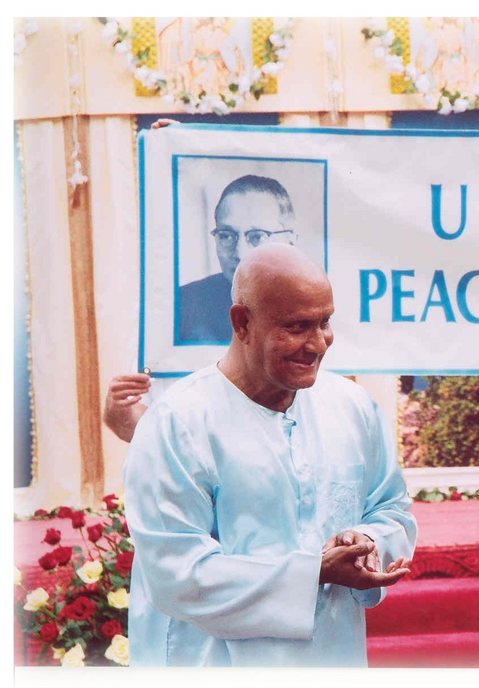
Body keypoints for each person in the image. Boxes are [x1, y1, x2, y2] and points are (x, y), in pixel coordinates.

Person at [124, 244, 417, 666]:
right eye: (297, 327)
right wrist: (313, 572)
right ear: (242, 322)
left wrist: (367, 542)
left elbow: (391, 510)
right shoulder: (178, 422)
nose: (317, 344)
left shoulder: (352, 407)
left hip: (332, 656)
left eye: (325, 322)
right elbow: (176, 572)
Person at [178, 174, 297, 343]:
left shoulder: (315, 305)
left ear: (290, 241)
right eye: (226, 236)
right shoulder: (184, 304)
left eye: (257, 236)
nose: (240, 253)